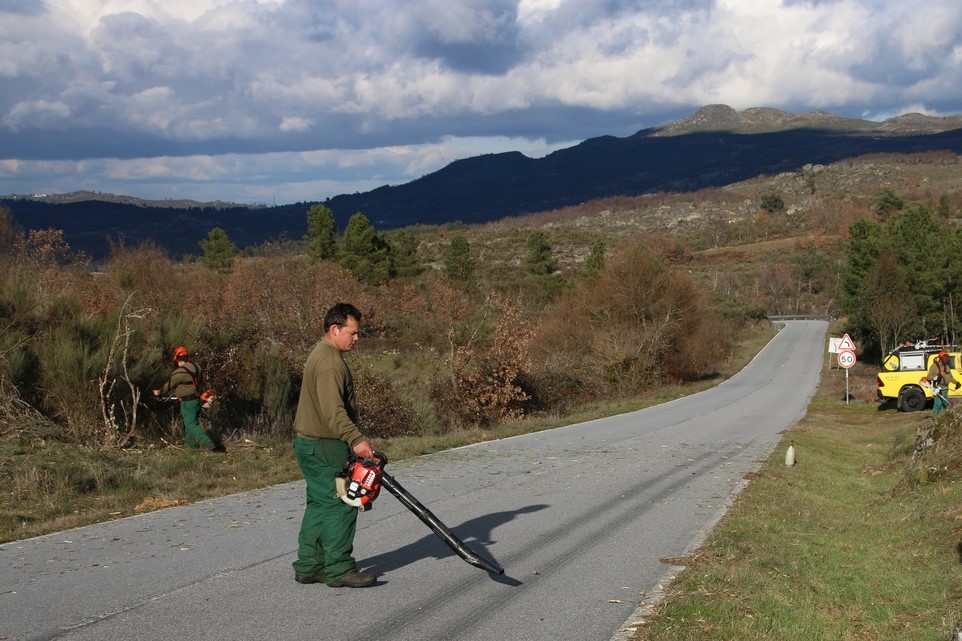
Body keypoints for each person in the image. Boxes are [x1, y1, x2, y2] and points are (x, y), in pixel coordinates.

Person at [292, 303, 377, 588]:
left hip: (308, 443)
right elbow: (333, 411)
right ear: (334, 329)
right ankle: (339, 569)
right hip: (326, 445)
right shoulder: (329, 362)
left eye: (358, 333)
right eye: (352, 333)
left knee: (318, 503)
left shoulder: (321, 353)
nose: (356, 339)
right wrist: (356, 439)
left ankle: (309, 565)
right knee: (343, 503)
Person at [153, 346, 218, 451]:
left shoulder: (179, 373)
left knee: (191, 424)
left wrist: (159, 392)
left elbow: (168, 386)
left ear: (177, 358)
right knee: (189, 424)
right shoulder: (197, 367)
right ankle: (190, 448)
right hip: (196, 400)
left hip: (187, 403)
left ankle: (209, 444)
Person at [926, 351, 960, 416]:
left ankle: (943, 417)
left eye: (946, 357)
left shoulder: (947, 367)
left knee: (944, 403)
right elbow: (929, 377)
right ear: (940, 358)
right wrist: (937, 376)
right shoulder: (934, 366)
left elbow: (951, 377)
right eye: (944, 357)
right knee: (938, 403)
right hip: (938, 387)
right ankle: (934, 417)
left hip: (945, 388)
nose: (946, 358)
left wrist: (956, 383)